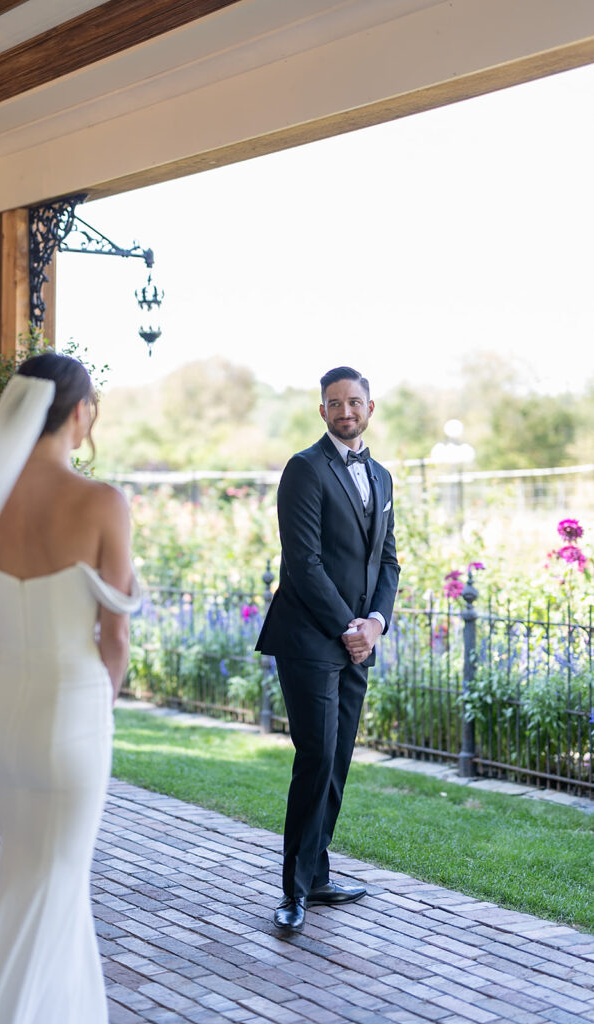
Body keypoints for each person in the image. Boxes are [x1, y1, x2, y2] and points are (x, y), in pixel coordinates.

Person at [0, 352, 140, 1024]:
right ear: (79, 413)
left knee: (30, 875)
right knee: (53, 883)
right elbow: (114, 637)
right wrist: (98, 703)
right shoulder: (103, 502)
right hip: (68, 712)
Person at [256, 365, 399, 933]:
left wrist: (376, 625)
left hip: (358, 641)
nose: (346, 411)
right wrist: (348, 625)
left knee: (338, 763)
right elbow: (303, 564)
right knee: (315, 760)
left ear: (370, 407)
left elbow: (387, 560)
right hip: (311, 638)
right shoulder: (304, 469)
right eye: (334, 403)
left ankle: (317, 878)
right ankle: (292, 892)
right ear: (322, 411)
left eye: (355, 402)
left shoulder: (383, 477)